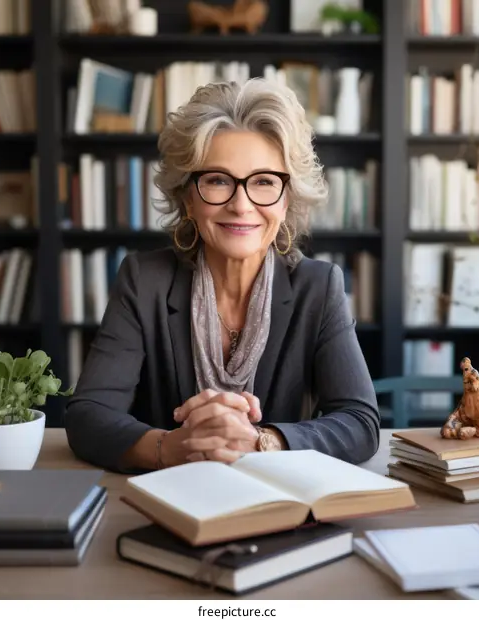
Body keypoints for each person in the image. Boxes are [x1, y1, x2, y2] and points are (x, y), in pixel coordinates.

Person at [64, 78, 380, 474]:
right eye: (217, 180)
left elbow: (360, 422)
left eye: (264, 182)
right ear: (187, 198)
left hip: (279, 508)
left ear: (287, 199)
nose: (241, 204)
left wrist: (263, 441)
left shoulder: (319, 288)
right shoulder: (144, 280)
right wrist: (169, 446)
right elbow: (88, 415)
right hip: (171, 502)